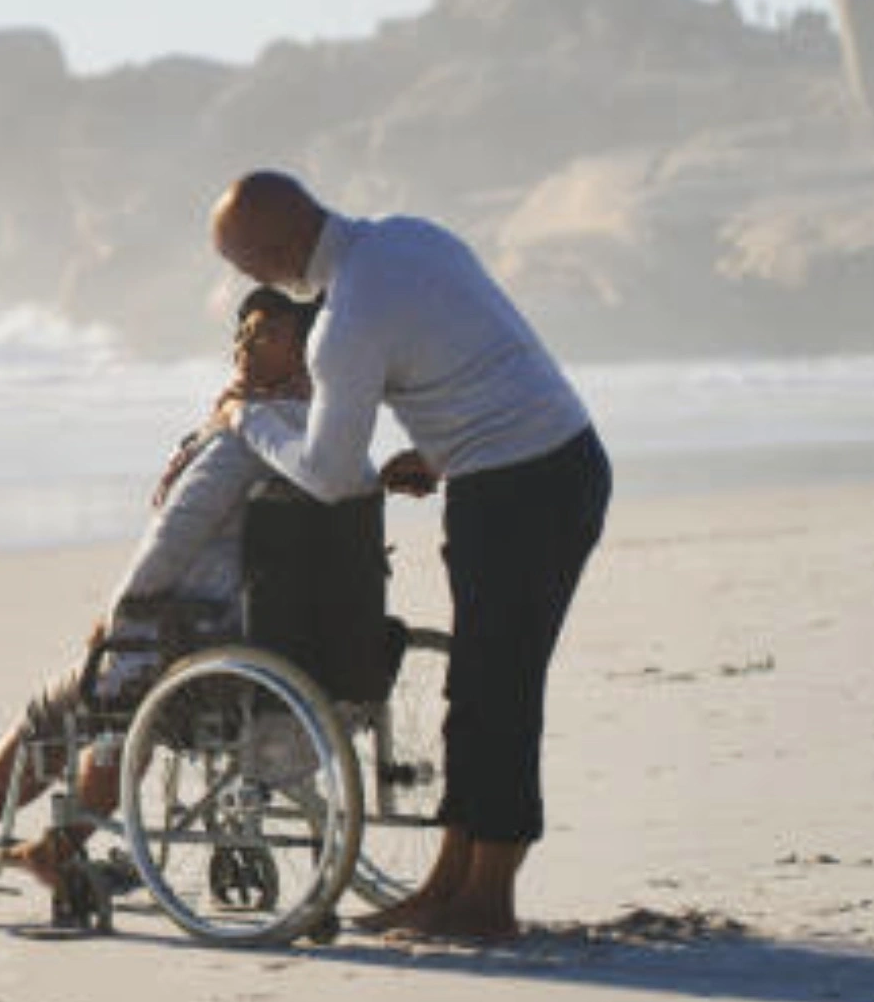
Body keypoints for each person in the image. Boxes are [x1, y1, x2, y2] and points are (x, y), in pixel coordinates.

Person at [209, 169, 611, 941]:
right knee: (477, 687)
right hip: (551, 462)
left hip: (519, 486)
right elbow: (472, 354)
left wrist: (246, 419)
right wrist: (434, 450)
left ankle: (487, 902)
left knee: (500, 689)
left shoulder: (346, 320)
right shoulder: (411, 236)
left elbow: (327, 475)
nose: (249, 281)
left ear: (277, 245)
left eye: (245, 263)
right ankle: (447, 884)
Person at [0, 288, 319, 889]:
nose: (245, 347)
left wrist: (119, 617)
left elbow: (172, 542)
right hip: (280, 639)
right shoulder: (324, 438)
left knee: (63, 709)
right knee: (119, 709)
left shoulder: (240, 437)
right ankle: (53, 847)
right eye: (243, 333)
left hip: (204, 640)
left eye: (267, 335)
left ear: (306, 352)